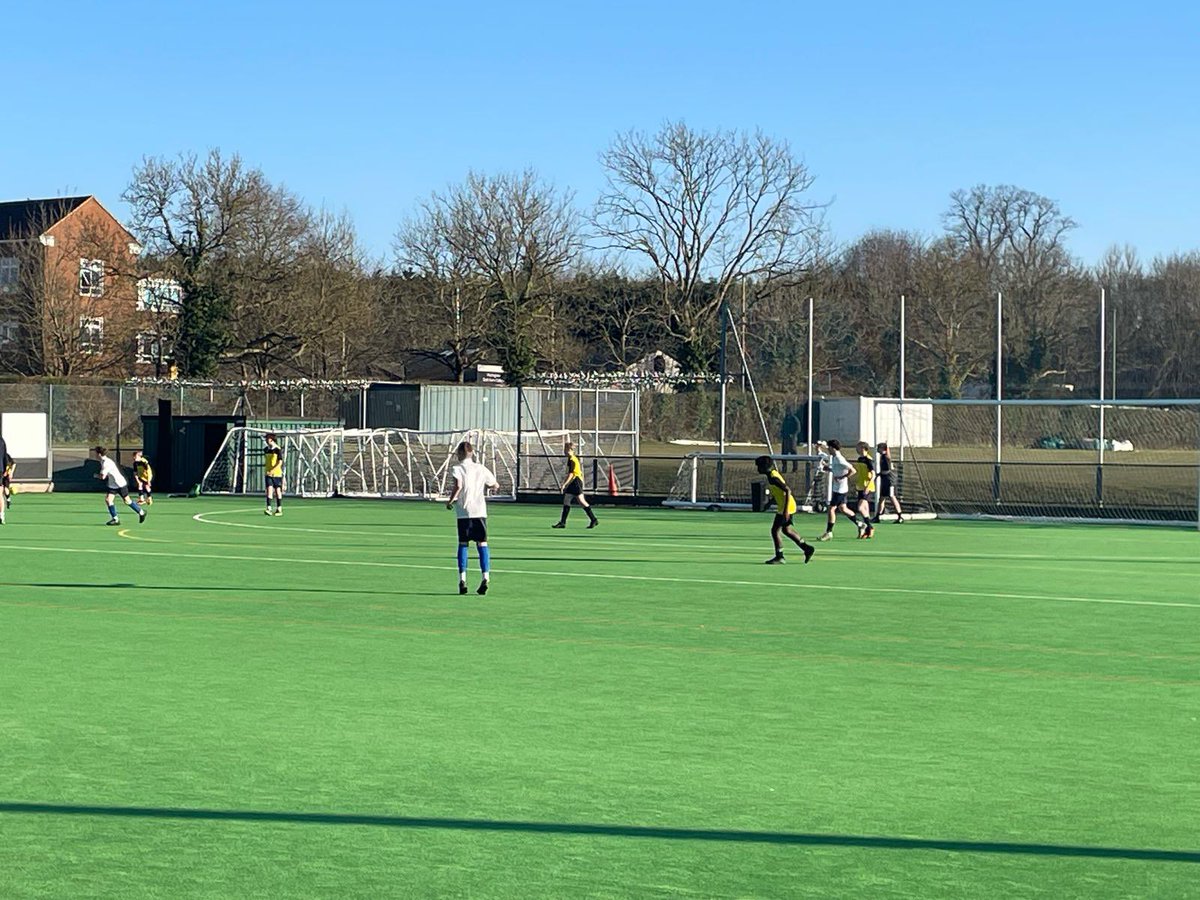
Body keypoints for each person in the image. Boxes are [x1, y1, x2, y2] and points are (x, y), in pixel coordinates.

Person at [446, 440, 500, 595]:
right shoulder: (481, 468)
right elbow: (495, 485)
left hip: (464, 512)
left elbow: (458, 486)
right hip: (480, 512)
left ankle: (462, 579)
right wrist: (490, 487)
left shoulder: (457, 468)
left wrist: (450, 501)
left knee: (463, 544)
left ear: (460, 454)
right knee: (482, 544)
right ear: (472, 453)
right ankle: (486, 577)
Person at [755, 455, 815, 565]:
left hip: (786, 507)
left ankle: (780, 556)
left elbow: (787, 490)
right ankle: (807, 548)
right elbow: (779, 493)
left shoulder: (773, 477)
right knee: (786, 530)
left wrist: (786, 511)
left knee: (775, 531)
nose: (757, 469)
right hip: (785, 506)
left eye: (759, 467)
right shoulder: (771, 475)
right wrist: (769, 504)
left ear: (764, 467)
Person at [91, 446, 146, 526]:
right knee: (108, 500)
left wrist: (96, 476)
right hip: (113, 485)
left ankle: (141, 512)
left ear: (99, 454)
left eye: (96, 453)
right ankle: (115, 519)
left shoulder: (107, 463)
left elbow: (103, 477)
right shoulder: (102, 461)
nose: (95, 455)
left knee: (127, 501)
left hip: (120, 484)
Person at [817, 439, 857, 541]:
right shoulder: (834, 458)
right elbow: (837, 470)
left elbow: (853, 470)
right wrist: (829, 469)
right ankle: (860, 524)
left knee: (831, 509)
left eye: (829, 448)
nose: (828, 450)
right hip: (838, 488)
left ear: (832, 448)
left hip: (840, 489)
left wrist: (843, 477)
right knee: (843, 509)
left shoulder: (839, 458)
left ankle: (829, 532)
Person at [553, 441, 597, 529]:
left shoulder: (572, 459)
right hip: (575, 481)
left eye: (565, 449)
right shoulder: (571, 458)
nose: (564, 451)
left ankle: (593, 519)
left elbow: (572, 474)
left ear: (570, 450)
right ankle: (563, 522)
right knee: (567, 500)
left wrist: (564, 484)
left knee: (581, 501)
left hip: (575, 481)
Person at [872, 442, 905, 524]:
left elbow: (890, 469)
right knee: (881, 498)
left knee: (892, 497)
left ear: (883, 449)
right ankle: (877, 516)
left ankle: (900, 516)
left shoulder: (886, 458)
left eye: (879, 448)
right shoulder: (882, 457)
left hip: (889, 480)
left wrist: (881, 474)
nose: (877, 450)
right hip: (885, 480)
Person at [853, 441, 877, 539]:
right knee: (865, 509)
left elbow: (873, 474)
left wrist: (867, 487)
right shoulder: (859, 459)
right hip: (860, 486)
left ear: (863, 448)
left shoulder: (868, 460)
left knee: (860, 508)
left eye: (858, 447)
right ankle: (868, 530)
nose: (856, 449)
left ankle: (869, 526)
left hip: (867, 487)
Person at [263, 433, 285, 516]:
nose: (266, 440)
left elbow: (280, 462)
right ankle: (269, 508)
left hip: (276, 474)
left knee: (277, 491)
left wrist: (273, 470)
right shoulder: (265, 449)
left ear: (271, 439)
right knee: (269, 490)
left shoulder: (277, 450)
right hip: (268, 473)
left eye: (267, 438)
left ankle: (279, 509)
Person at [0, 434, 9, 525]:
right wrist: (6, 468)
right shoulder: (2, 441)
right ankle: (1, 515)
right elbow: (5, 456)